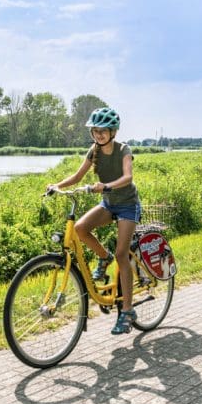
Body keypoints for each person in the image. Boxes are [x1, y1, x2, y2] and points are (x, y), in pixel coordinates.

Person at [46, 107, 141, 335]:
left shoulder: (123, 150)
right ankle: (103, 257)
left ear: (113, 132)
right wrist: (57, 185)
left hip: (127, 205)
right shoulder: (94, 151)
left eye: (103, 131)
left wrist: (106, 185)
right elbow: (78, 176)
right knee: (80, 228)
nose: (98, 135)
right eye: (95, 131)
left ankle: (127, 311)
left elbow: (128, 177)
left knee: (122, 254)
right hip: (108, 204)